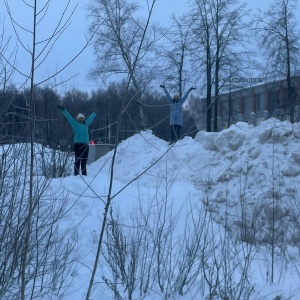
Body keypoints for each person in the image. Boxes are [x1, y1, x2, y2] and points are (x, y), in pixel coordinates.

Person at [57, 105, 96, 176]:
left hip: (85, 145)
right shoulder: (75, 124)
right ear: (78, 119)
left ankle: (84, 176)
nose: (81, 119)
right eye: (80, 118)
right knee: (77, 161)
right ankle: (76, 175)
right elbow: (69, 117)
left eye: (82, 118)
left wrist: (94, 113)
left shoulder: (86, 124)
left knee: (84, 162)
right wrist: (63, 110)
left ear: (84, 119)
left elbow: (91, 118)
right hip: (78, 145)